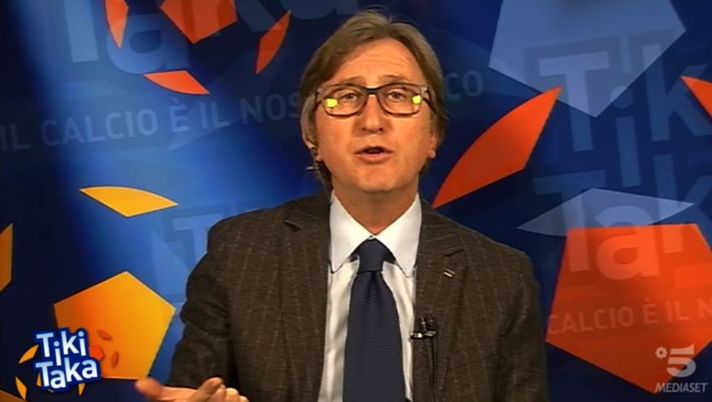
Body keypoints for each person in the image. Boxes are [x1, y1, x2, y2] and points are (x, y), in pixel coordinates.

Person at [136, 9, 549, 402]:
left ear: (433, 135)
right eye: (345, 97)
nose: (372, 121)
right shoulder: (240, 255)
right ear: (312, 136)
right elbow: (196, 389)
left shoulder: (500, 278)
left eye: (399, 95)